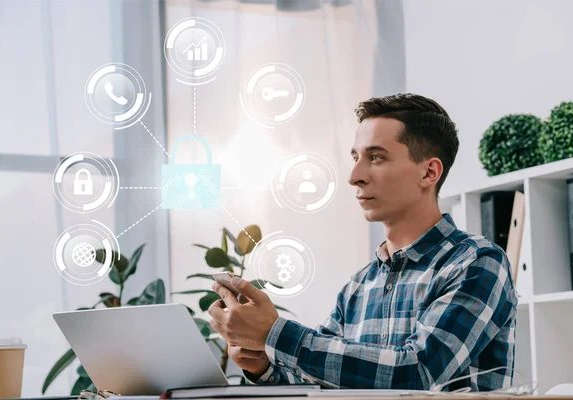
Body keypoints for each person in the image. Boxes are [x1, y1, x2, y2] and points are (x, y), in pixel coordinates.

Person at [208, 93, 517, 391]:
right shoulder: (359, 285)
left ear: (429, 172)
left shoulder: (476, 263)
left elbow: (417, 374)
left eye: (376, 157)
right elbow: (317, 386)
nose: (354, 176)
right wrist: (261, 363)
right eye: (356, 158)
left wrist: (274, 332)